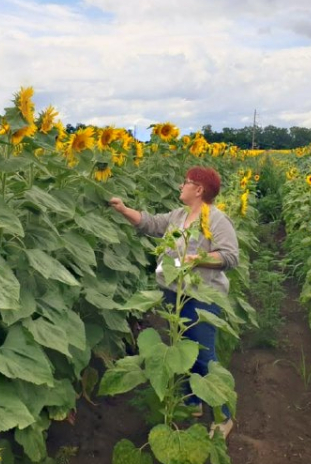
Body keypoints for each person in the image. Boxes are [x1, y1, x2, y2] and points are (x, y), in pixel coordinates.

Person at [109, 166, 239, 439]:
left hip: (201, 296)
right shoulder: (179, 216)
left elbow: (230, 256)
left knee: (203, 356)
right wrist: (123, 209)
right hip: (173, 293)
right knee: (182, 349)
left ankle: (223, 416)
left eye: (186, 182)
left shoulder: (216, 219)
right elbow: (151, 223)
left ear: (199, 190)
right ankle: (192, 401)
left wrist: (200, 258)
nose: (181, 186)